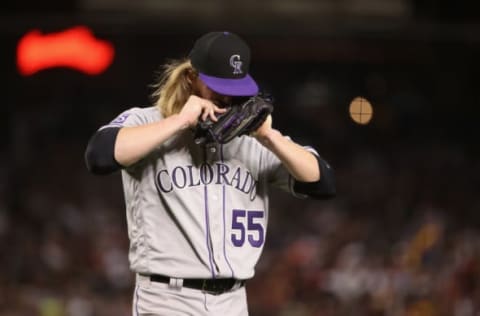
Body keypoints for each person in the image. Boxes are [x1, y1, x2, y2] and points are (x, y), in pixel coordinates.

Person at [84, 31, 336, 316]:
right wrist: (180, 121)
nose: (227, 96)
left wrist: (270, 138)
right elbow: (99, 156)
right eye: (218, 85)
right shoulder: (149, 122)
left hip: (233, 301)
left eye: (234, 87)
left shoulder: (252, 138)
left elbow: (323, 183)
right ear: (191, 78)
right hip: (168, 299)